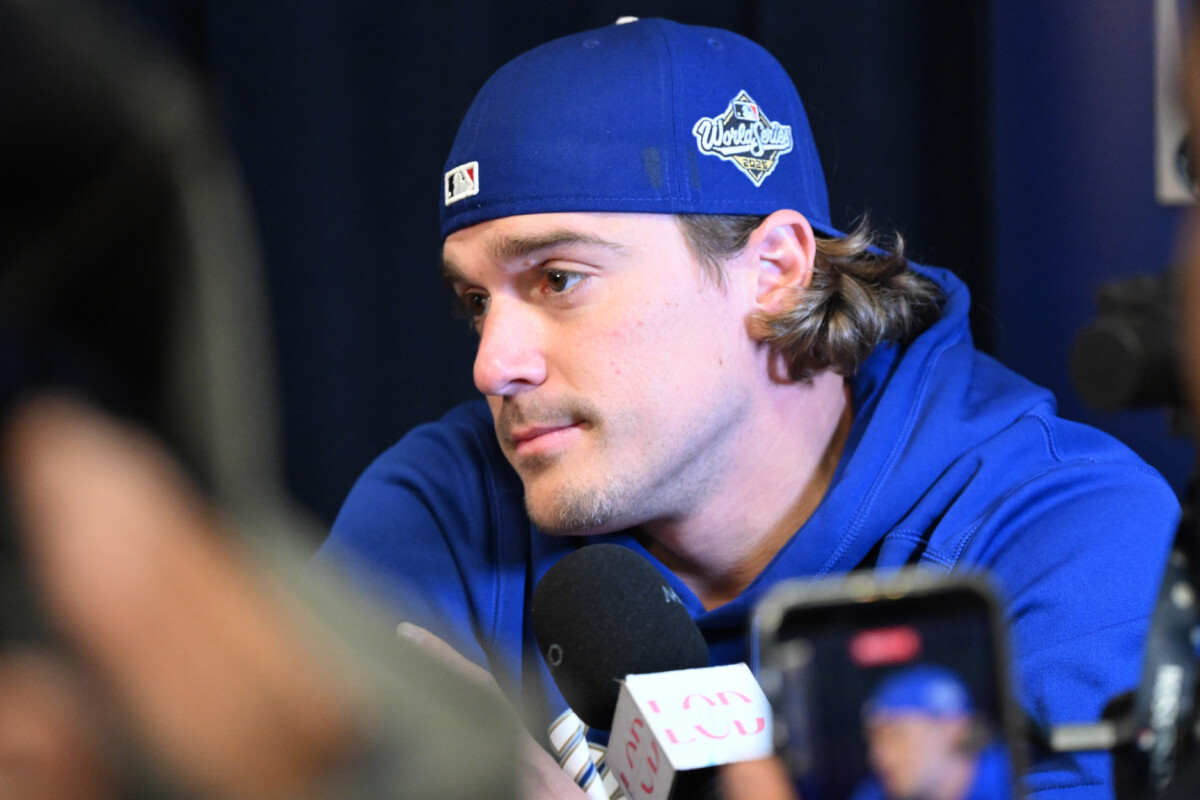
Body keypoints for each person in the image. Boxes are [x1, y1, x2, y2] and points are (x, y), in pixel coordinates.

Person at [314, 17, 1180, 798]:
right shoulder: (449, 506)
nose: (492, 364)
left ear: (773, 273)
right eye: (477, 303)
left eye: (558, 278)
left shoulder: (1061, 527)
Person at [850, 665, 1010, 800]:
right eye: (874, 740)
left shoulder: (1016, 779)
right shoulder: (873, 793)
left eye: (895, 736)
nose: (878, 758)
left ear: (954, 729)